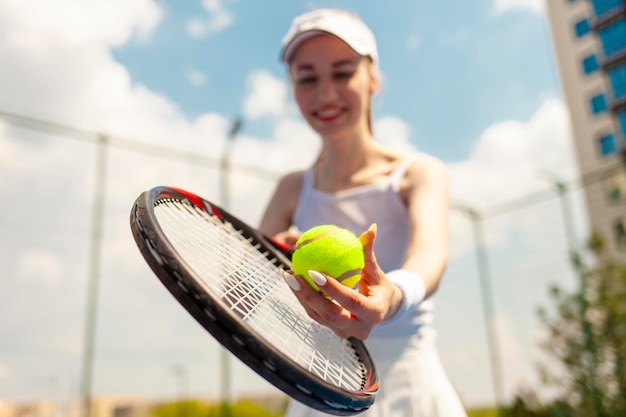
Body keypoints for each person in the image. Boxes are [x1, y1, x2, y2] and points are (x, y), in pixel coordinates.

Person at [259, 8, 468, 417]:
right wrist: (277, 261)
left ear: (373, 79)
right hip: (320, 385)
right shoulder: (290, 187)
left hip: (410, 385)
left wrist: (392, 296)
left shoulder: (417, 173)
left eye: (342, 73)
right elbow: (244, 278)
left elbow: (430, 258)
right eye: (307, 78)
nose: (325, 94)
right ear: (293, 89)